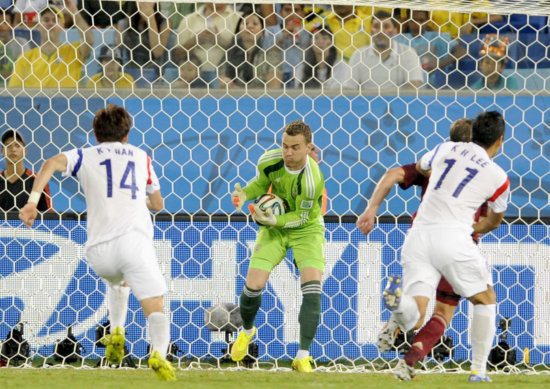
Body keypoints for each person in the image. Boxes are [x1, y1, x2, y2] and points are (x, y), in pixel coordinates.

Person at [18, 105, 176, 381]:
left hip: (98, 253)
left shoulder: (83, 155)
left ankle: (116, 332)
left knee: (120, 281)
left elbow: (50, 164)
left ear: (95, 134)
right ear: (127, 134)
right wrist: (141, 198)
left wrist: (32, 203)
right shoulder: (141, 157)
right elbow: (158, 204)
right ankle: (159, 354)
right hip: (133, 245)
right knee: (155, 303)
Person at [381, 111, 510, 382]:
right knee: (485, 299)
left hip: (418, 236)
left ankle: (397, 303)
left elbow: (423, 167)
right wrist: (474, 226)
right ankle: (478, 370)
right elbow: (493, 222)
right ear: (500, 140)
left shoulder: (445, 147)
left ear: (473, 133)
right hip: (454, 240)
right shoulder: (497, 176)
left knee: (415, 313)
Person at [357, 119, 479, 369]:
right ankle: (414, 357)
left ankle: (399, 310)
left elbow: (392, 174)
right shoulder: (483, 172)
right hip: (457, 245)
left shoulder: (434, 164)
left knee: (417, 314)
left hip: (422, 238)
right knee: (445, 313)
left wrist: (371, 210)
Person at [231, 120, 325, 372]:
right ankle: (247, 332)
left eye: (295, 147)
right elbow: (261, 184)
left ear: (308, 148)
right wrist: (245, 194)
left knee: (312, 287)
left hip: (306, 229)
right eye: (285, 146)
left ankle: (303, 355)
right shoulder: (269, 160)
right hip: (274, 229)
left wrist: (274, 219)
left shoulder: (312, 179)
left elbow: (303, 217)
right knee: (253, 285)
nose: (288, 153)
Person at [8, 1, 94, 88]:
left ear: (62, 27)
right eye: (46, 20)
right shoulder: (25, 58)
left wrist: (74, 11)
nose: (50, 23)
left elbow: (89, 40)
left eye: (55, 20)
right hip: (35, 101)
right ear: (38, 26)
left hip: (67, 101)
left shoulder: (73, 52)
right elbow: (14, 92)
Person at [346, 10, 424, 90]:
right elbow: (348, 89)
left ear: (395, 31)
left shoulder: (408, 53)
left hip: (399, 101)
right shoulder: (359, 55)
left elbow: (414, 88)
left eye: (386, 26)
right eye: (376, 26)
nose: (380, 31)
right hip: (367, 101)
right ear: (370, 31)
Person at [174, 2, 240, 87]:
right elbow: (176, 54)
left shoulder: (239, 18)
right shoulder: (188, 20)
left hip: (226, 77)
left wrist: (219, 40)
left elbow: (243, 51)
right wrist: (195, 40)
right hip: (191, 79)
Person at [219, 12, 281, 89]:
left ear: (262, 31)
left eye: (255, 24)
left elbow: (274, 88)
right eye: (245, 23)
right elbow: (221, 81)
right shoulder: (228, 55)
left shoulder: (271, 57)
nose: (249, 26)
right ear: (238, 30)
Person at [119, 1, 170, 87]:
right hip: (130, 74)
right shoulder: (124, 23)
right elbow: (118, 53)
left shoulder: (164, 23)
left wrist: (151, 19)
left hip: (155, 75)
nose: (145, 3)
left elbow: (157, 52)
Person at [0, 130, 51, 213]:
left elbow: (49, 218)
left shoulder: (38, 181)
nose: (13, 149)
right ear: (2, 151)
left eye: (17, 145)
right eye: (8, 146)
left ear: (25, 151)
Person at [295, 23, 351, 90]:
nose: (320, 42)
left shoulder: (341, 66)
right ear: (310, 42)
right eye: (316, 38)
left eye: (324, 38)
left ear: (331, 42)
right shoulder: (301, 69)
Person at [0, 10, 30, 87]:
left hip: (17, 87)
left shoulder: (22, 43)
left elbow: (25, 69)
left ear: (12, 25)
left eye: (5, 23)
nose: (1, 26)